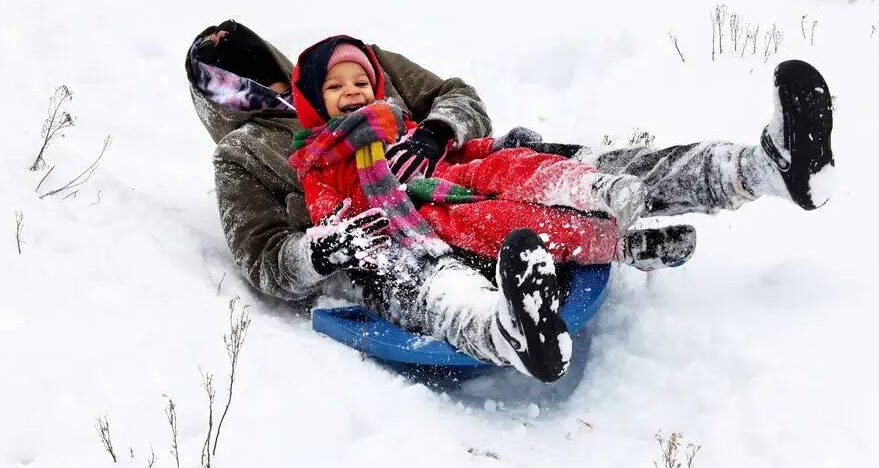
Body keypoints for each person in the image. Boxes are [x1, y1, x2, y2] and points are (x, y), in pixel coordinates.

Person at [186, 20, 835, 380]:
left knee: (571, 167)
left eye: (264, 73)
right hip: (383, 245)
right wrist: (321, 249)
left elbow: (458, 95)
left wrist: (441, 130)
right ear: (214, 105)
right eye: (234, 90)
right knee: (418, 277)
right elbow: (265, 262)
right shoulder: (242, 157)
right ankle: (512, 332)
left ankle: (757, 168)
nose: (260, 91)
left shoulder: (350, 69)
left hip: (463, 179)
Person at [287, 35, 700, 269]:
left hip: (455, 174)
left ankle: (598, 189)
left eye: (360, 81)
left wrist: (495, 147)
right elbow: (329, 215)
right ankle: (618, 245)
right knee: (508, 223)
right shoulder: (318, 159)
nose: (351, 92)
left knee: (514, 166)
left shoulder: (396, 120)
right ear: (313, 102)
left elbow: (456, 150)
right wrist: (341, 233)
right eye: (334, 86)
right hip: (420, 212)